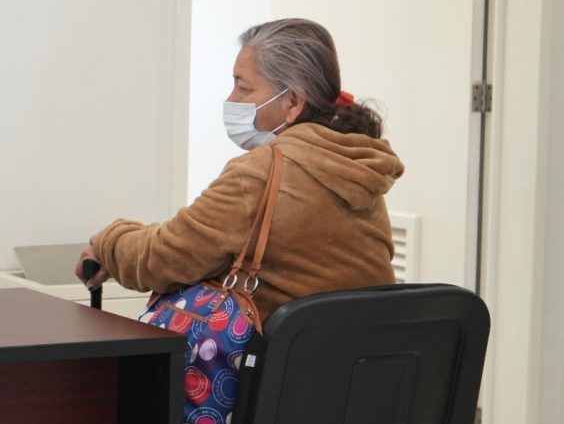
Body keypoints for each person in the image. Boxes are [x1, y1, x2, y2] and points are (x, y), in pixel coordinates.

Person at [76, 18, 405, 321]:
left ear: (292, 102)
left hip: (276, 379)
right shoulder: (354, 162)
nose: (232, 98)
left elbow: (161, 259)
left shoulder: (263, 172)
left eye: (244, 88)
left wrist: (108, 241)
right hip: (360, 373)